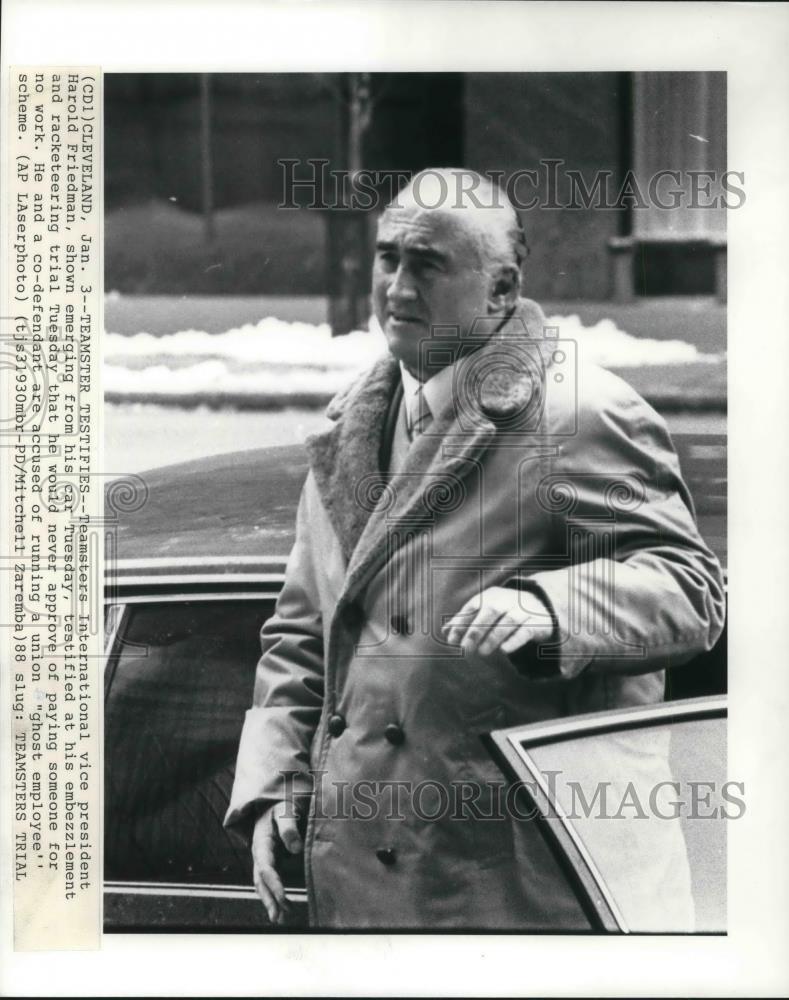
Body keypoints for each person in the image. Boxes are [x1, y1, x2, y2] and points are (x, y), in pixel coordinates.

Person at [225, 168, 726, 930]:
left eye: (428, 264)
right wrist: (274, 782)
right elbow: (300, 637)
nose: (397, 284)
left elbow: (690, 590)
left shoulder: (580, 412)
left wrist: (549, 606)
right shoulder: (351, 426)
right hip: (364, 885)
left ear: (500, 290)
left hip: (521, 887)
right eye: (388, 257)